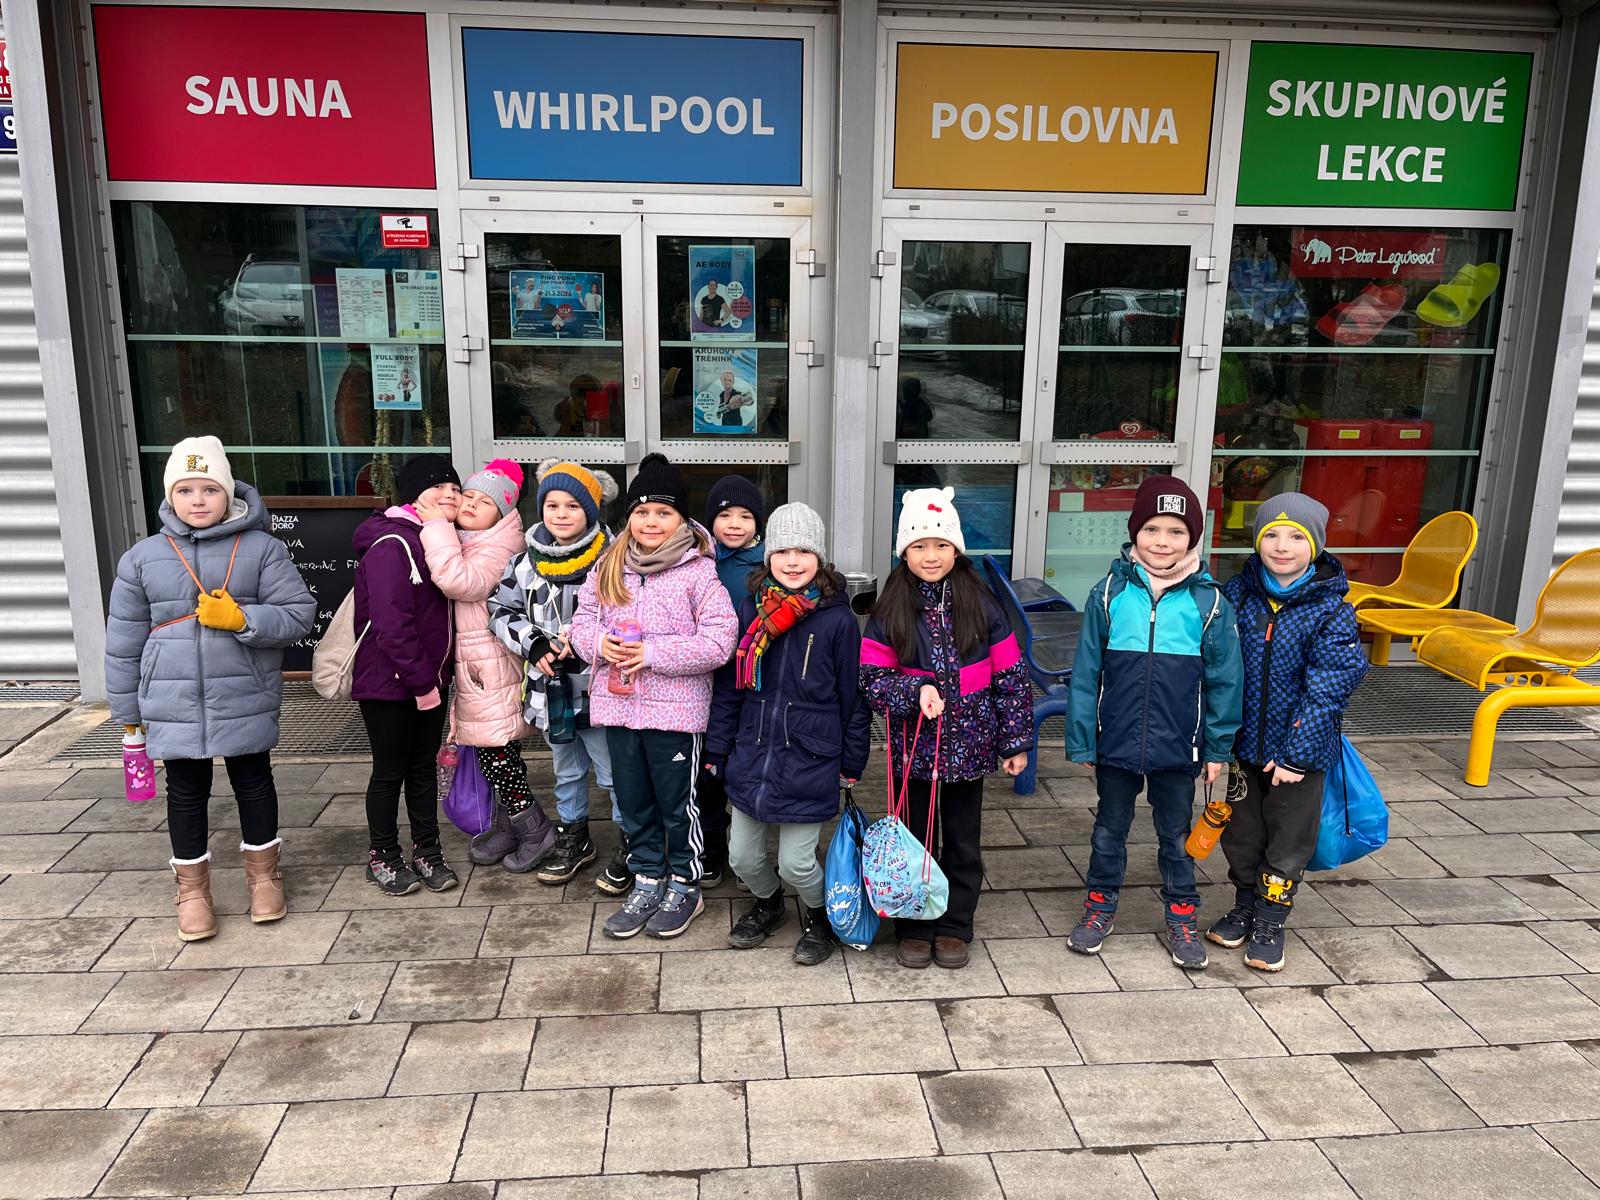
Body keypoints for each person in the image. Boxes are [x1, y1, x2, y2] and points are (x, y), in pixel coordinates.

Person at [104, 436, 315, 941]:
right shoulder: (142, 558)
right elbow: (123, 641)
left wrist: (242, 619)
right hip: (171, 698)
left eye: (209, 489)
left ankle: (264, 878)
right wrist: (127, 711)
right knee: (185, 791)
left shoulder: (262, 549)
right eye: (185, 490)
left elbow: (298, 615)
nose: (197, 500)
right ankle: (193, 892)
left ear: (229, 493)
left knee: (254, 781)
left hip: (243, 692)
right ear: (169, 496)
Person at [1066, 475, 1243, 970]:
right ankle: (1099, 907)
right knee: (1109, 830)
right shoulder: (1109, 593)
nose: (1162, 542)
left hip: (1178, 746)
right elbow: (1086, 672)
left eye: (1176, 532)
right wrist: (1082, 740)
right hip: (1116, 741)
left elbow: (1225, 682)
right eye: (1152, 529)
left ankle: (1182, 914)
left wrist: (1218, 748)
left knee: (1176, 836)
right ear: (1134, 533)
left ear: (1192, 538)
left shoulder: (1209, 603)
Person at [859, 487, 1032, 970]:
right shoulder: (890, 608)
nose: (930, 556)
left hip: (970, 750)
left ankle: (955, 924)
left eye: (940, 544)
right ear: (904, 552)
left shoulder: (982, 604)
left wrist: (1015, 740)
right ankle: (914, 924)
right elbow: (871, 679)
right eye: (919, 546)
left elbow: (1011, 677)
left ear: (956, 548)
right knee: (913, 840)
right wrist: (912, 691)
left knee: (961, 842)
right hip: (912, 751)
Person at [569, 453, 738, 939]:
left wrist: (653, 654)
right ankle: (647, 878)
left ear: (682, 519)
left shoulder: (698, 572)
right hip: (619, 708)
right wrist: (597, 643)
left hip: (676, 715)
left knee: (677, 805)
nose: (651, 521)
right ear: (629, 517)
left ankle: (685, 884)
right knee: (633, 800)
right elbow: (581, 621)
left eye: (664, 512)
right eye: (642, 512)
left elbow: (719, 641)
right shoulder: (609, 566)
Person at [708, 503, 872, 965]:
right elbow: (731, 687)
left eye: (804, 551)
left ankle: (820, 914)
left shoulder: (838, 620)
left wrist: (851, 760)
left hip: (810, 758)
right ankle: (770, 903)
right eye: (782, 551)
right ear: (768, 557)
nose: (793, 561)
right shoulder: (751, 607)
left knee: (796, 862)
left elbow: (853, 699)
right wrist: (718, 747)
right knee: (741, 857)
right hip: (753, 752)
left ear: (819, 557)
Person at [1215, 495, 1367, 971]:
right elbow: (1216, 667)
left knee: (1287, 841)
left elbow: (1329, 687)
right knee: (1242, 834)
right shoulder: (1237, 596)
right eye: (1272, 535)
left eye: (1297, 536)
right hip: (1244, 748)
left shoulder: (1331, 610)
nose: (1283, 546)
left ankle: (1270, 918)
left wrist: (1296, 754)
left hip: (1299, 755)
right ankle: (1244, 904)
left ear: (1316, 545)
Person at [488, 460, 626, 890]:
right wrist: (533, 644)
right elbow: (500, 609)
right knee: (566, 769)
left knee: (613, 772)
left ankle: (631, 842)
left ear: (592, 510)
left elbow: (631, 614)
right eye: (552, 505)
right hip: (551, 692)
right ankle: (574, 836)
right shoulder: (524, 563)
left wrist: (588, 641)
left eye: (573, 506)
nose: (561, 514)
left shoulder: (614, 560)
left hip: (601, 692)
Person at [418, 459, 556, 874]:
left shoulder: (500, 548)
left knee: (497, 752)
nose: (472, 504)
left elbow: (458, 581)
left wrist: (436, 527)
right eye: (469, 496)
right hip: (477, 666)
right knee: (493, 752)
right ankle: (509, 827)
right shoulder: (472, 538)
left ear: (503, 514)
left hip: (492, 668)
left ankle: (535, 829)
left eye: (486, 502)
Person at [351, 454, 462, 897]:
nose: (449, 495)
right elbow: (391, 624)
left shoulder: (438, 538)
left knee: (422, 769)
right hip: (390, 683)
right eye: (438, 487)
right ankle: (382, 855)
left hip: (429, 680)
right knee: (389, 771)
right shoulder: (392, 543)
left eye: (455, 488)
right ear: (415, 495)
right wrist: (422, 684)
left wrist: (435, 681)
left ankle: (427, 851)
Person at [698, 474, 768, 887]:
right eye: (725, 515)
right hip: (704, 681)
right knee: (707, 766)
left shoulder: (768, 567)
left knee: (745, 764)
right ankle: (711, 843)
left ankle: (750, 854)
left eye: (745, 516)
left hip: (750, 682)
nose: (735, 524)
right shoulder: (699, 560)